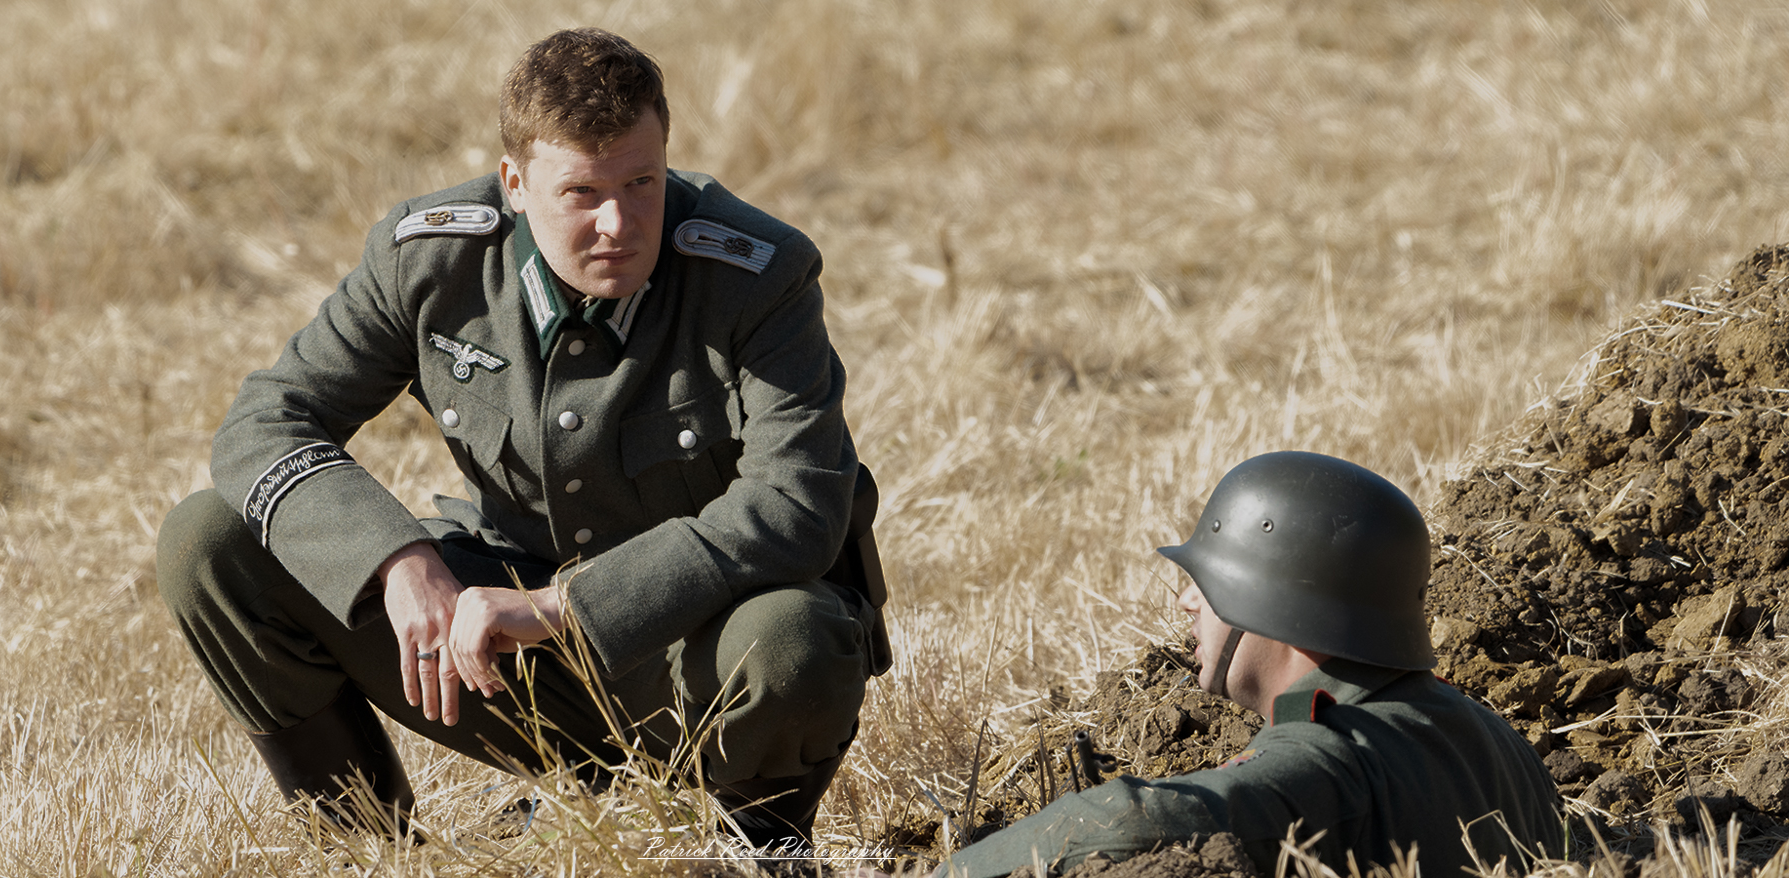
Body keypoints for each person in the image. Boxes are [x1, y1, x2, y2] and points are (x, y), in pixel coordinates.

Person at [153, 27, 888, 852]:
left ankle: (752, 851)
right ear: (514, 184)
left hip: (691, 657)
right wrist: (396, 560)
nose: (619, 222)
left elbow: (797, 507)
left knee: (795, 634)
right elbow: (264, 422)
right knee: (209, 540)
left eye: (642, 182)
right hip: (499, 656)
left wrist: (563, 608)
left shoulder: (758, 274)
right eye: (581, 192)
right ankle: (367, 852)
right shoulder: (432, 262)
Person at [937, 451, 1562, 877]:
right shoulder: (1492, 735)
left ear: (1274, 604)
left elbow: (1144, 818)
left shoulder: (1334, 756)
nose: (1186, 601)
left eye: (1208, 584)